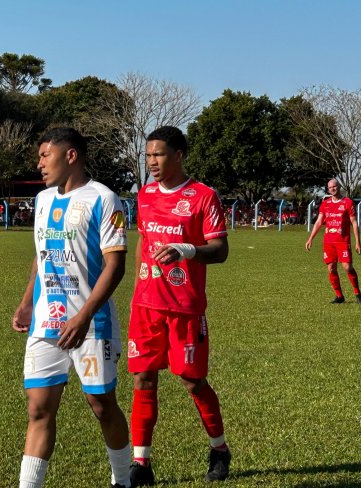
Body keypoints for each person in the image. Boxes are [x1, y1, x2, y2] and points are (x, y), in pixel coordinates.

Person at [12, 128, 132, 488]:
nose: (39, 163)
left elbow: (115, 265)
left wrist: (84, 316)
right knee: (38, 408)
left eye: (45, 155)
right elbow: (41, 254)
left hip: (90, 324)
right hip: (46, 322)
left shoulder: (105, 199)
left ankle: (123, 480)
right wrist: (27, 302)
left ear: (71, 156)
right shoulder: (43, 200)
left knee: (101, 405)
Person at [128, 126, 231, 485]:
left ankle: (219, 449)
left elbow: (220, 250)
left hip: (185, 307)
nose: (151, 162)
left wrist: (186, 250)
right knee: (143, 378)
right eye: (148, 155)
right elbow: (144, 242)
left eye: (158, 154)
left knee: (192, 381)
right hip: (146, 306)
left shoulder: (203, 196)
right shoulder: (144, 195)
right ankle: (141, 463)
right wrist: (140, 287)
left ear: (179, 155)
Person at [305, 178, 361, 304]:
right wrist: (310, 238)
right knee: (331, 268)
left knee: (347, 267)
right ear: (328, 189)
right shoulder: (325, 204)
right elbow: (319, 222)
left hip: (343, 241)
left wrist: (357, 242)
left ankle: (357, 292)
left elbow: (354, 222)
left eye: (334, 186)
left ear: (339, 186)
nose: (332, 189)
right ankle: (339, 296)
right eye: (330, 187)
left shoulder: (347, 202)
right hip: (329, 242)